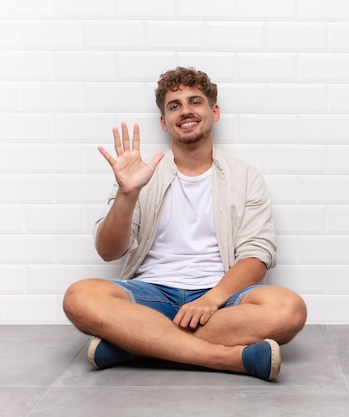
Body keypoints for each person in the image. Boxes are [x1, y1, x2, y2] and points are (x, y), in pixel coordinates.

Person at [63, 67, 307, 381]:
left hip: (219, 298)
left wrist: (211, 299)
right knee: (79, 297)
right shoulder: (141, 174)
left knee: (289, 308)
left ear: (213, 111)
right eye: (174, 105)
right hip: (151, 295)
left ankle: (135, 345)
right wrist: (128, 194)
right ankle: (225, 358)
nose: (186, 111)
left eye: (195, 102)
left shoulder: (245, 176)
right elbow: (109, 252)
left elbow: (256, 256)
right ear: (164, 122)